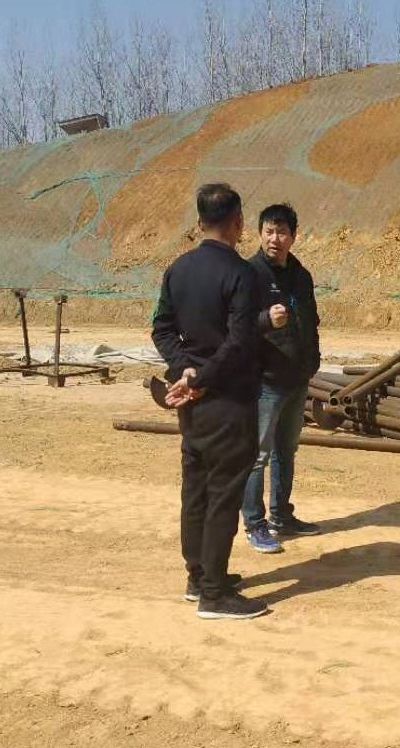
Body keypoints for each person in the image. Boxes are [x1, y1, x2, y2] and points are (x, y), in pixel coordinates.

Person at [151, 183, 269, 619]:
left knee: (196, 489)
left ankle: (198, 576)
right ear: (238, 221)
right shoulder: (242, 274)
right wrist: (201, 378)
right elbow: (239, 342)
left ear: (200, 221)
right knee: (223, 494)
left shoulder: (178, 270)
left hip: (192, 402)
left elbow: (162, 329)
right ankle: (215, 595)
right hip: (228, 400)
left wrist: (185, 370)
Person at [240, 203, 322, 552]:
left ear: (293, 236)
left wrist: (312, 361)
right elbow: (236, 326)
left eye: (282, 232)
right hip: (265, 382)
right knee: (258, 455)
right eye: (269, 232)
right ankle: (255, 524)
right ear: (260, 234)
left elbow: (311, 322)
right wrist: (264, 320)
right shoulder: (249, 275)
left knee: (286, 451)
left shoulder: (301, 276)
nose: (275, 239)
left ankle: (281, 515)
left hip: (296, 378)